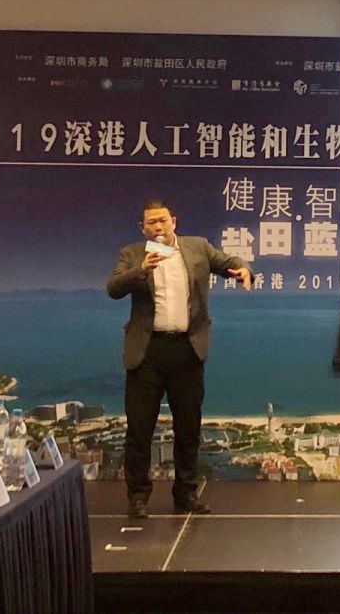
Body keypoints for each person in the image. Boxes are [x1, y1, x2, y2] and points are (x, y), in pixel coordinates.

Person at [107, 199, 251, 518]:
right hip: (147, 352)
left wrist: (242, 269)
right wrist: (141, 271)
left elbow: (228, 261)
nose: (158, 226)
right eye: (151, 222)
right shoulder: (132, 253)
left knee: (188, 427)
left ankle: (185, 493)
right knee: (139, 428)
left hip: (187, 349)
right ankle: (138, 496)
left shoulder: (197, 247)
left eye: (163, 220)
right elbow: (113, 288)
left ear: (174, 221)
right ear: (143, 228)